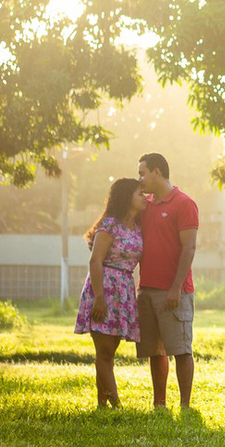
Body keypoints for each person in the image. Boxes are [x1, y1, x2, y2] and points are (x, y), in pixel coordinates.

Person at [74, 177, 145, 408]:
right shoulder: (110, 225)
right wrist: (99, 298)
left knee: (109, 352)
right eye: (139, 194)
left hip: (123, 289)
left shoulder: (136, 227)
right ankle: (116, 405)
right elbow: (95, 260)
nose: (144, 198)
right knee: (104, 352)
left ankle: (102, 406)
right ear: (127, 198)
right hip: (105, 287)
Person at [135, 152, 199, 409]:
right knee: (155, 351)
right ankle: (159, 403)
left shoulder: (184, 203)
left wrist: (176, 288)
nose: (140, 179)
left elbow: (189, 248)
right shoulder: (144, 205)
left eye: (143, 173)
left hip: (174, 292)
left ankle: (185, 404)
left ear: (157, 171)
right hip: (147, 289)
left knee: (181, 349)